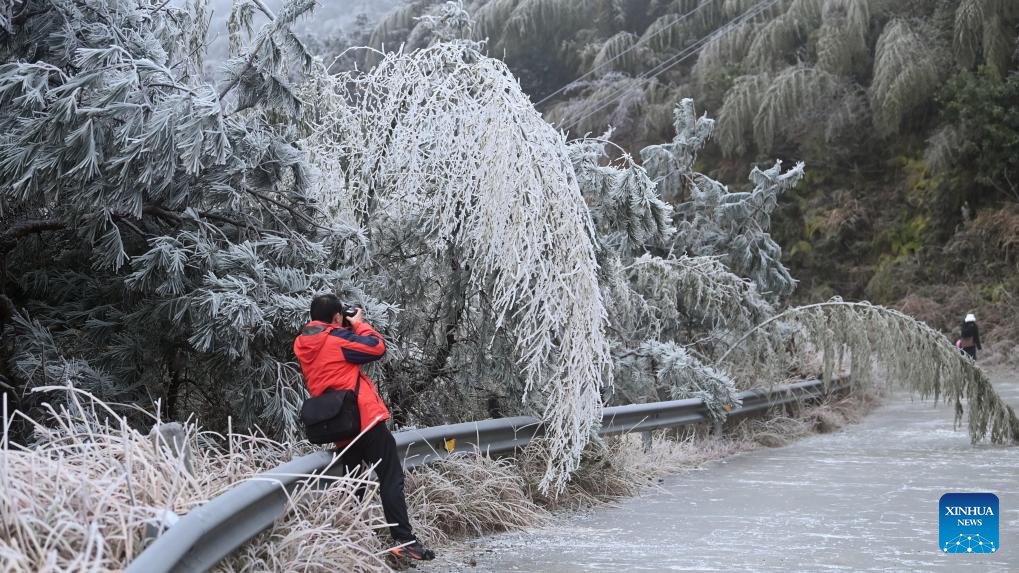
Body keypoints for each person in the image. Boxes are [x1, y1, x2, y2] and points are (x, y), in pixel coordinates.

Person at [293, 294, 435, 561]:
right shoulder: (338, 340)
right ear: (337, 317)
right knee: (390, 477)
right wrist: (359, 323)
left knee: (353, 485)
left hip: (338, 425)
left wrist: (341, 325)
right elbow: (376, 347)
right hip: (363, 419)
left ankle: (348, 541)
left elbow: (330, 349)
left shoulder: (302, 343)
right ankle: (403, 540)